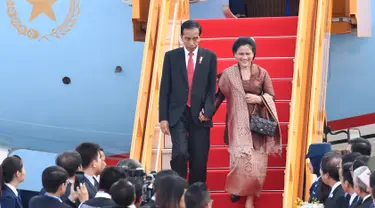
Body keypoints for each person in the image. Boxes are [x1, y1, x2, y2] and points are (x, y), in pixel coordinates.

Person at [214, 37, 281, 208]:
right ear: (234, 54)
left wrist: (259, 99)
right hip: (236, 125)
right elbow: (220, 94)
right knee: (239, 162)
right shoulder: (228, 74)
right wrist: (207, 113)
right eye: (240, 54)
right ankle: (237, 188)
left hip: (257, 124)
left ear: (254, 54)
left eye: (248, 54)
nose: (244, 57)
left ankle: (250, 198)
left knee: (256, 165)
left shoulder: (262, 73)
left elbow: (271, 96)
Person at [158, 20, 217, 184]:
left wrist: (208, 111)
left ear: (200, 37)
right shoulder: (171, 57)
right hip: (178, 112)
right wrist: (163, 117)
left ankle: (195, 196)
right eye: (187, 39)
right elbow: (165, 89)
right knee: (180, 153)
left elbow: (212, 88)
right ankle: (178, 189)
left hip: (200, 114)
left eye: (195, 38)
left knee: (199, 159)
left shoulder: (209, 57)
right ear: (181, 37)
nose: (191, 43)